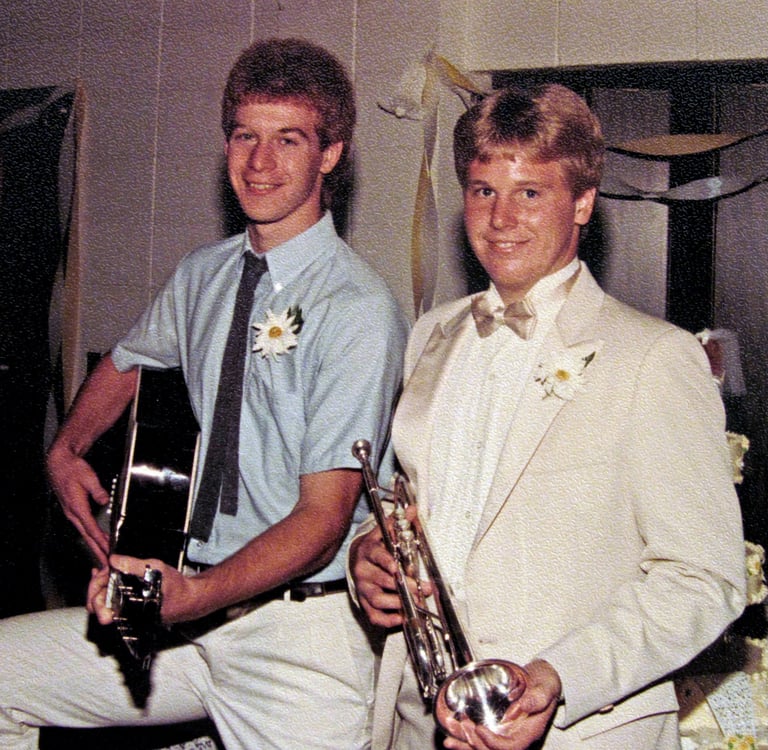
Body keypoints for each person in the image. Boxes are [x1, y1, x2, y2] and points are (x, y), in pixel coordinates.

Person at [0, 37, 408, 750]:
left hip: (297, 637)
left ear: (331, 154)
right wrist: (65, 451)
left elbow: (323, 520)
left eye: (288, 140)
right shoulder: (204, 273)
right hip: (186, 605)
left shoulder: (357, 308)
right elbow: (127, 362)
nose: (259, 162)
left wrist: (192, 598)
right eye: (245, 136)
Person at [349, 83, 746, 749]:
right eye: (483, 190)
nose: (500, 217)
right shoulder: (431, 335)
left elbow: (704, 580)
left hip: (577, 730)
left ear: (583, 202)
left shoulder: (656, 358)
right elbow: (415, 504)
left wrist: (559, 676)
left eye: (529, 192)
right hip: (422, 723)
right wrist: (370, 553)